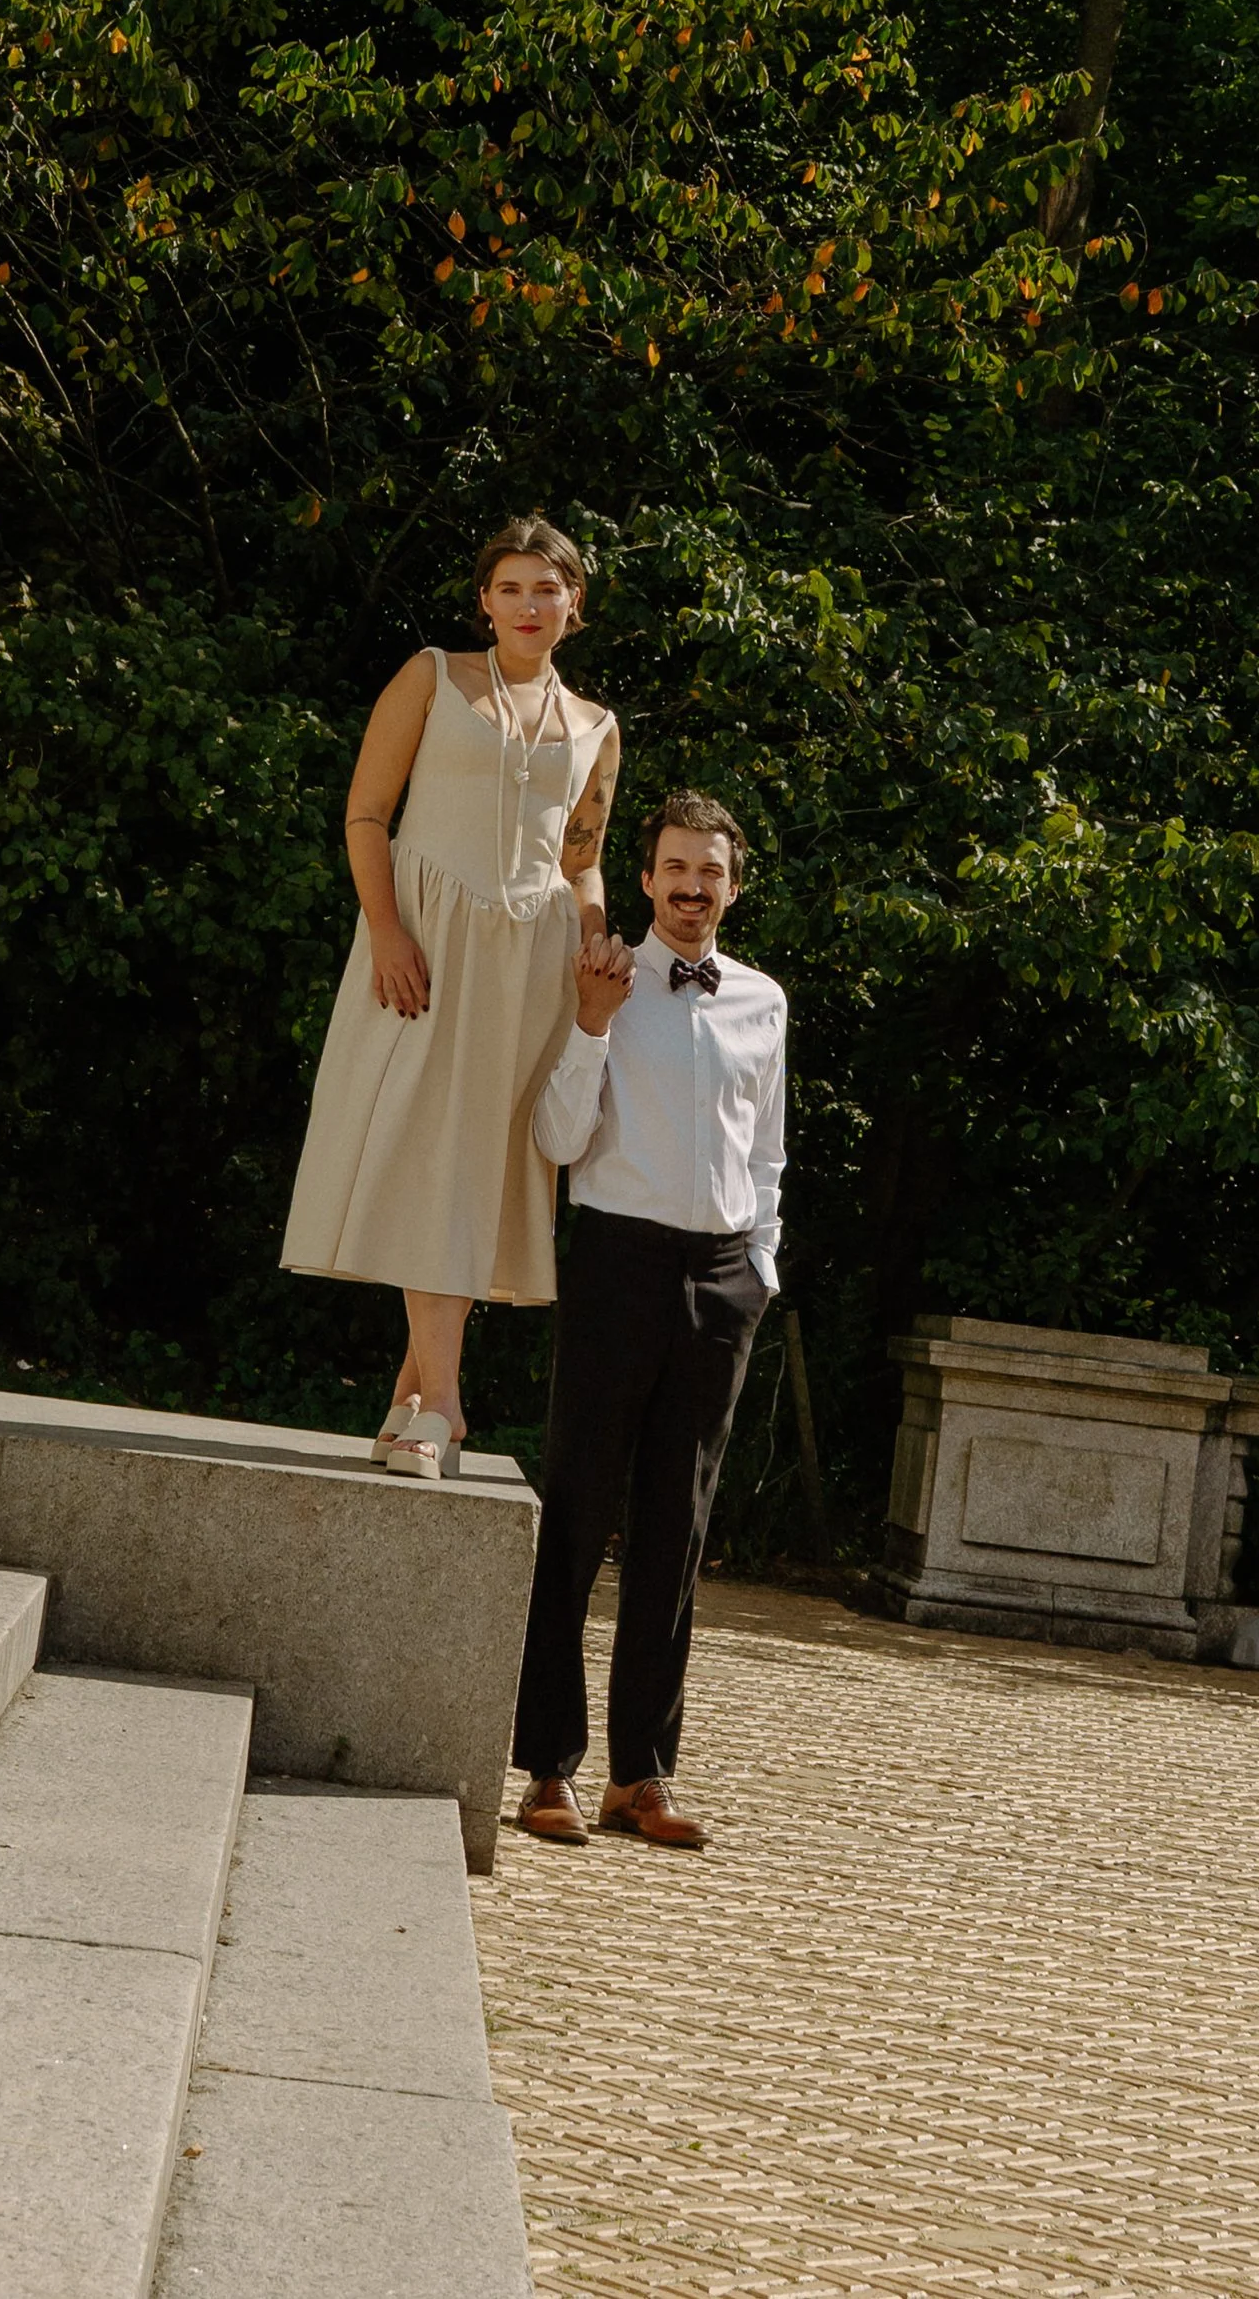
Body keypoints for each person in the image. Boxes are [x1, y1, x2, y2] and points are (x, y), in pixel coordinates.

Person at [280, 516, 619, 1478]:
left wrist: (594, 953)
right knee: (421, 1161)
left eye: (545, 590)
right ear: (485, 600)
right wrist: (387, 930)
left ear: (573, 606)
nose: (527, 605)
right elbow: (365, 812)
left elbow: (582, 864)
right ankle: (451, 1408)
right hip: (426, 948)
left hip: (533, 966)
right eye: (510, 588)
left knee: (471, 1175)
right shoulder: (430, 676)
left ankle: (412, 1405)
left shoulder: (597, 727)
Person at [510, 789, 785, 1847]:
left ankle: (643, 1776)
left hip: (721, 1281)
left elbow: (766, 1152)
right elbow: (556, 1137)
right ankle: (549, 1770)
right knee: (577, 1515)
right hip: (617, 1259)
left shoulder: (763, 1001)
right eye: (674, 867)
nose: (690, 887)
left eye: (709, 871)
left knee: (677, 1533)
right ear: (644, 878)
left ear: (732, 885)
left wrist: (758, 1265)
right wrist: (589, 1023)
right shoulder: (604, 975)